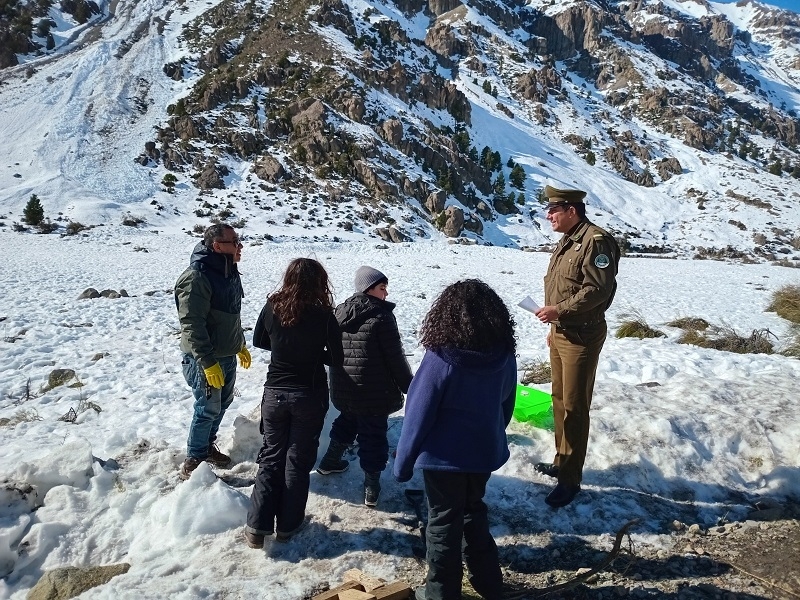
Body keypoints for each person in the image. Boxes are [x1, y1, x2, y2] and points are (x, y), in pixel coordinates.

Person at [394, 279, 517, 600]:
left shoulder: (440, 359)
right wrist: (491, 435)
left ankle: (440, 593)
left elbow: (418, 413)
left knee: (443, 522)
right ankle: (489, 584)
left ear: (445, 315)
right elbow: (506, 404)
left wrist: (403, 463)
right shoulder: (503, 355)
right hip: (482, 454)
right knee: (473, 511)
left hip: (442, 460)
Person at [244, 258, 343, 548]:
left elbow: (260, 340)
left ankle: (256, 527)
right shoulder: (325, 315)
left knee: (271, 457)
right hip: (308, 395)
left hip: (274, 392)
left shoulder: (273, 305)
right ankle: (288, 526)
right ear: (319, 282)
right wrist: (312, 355)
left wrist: (285, 349)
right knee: (297, 461)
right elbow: (337, 359)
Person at [534, 185, 620, 508]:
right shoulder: (567, 242)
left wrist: (561, 312)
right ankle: (561, 461)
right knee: (559, 399)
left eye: (554, 209)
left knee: (575, 405)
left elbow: (597, 290)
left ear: (572, 210)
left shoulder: (595, 242)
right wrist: (554, 323)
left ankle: (571, 480)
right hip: (561, 333)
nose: (549, 215)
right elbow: (560, 286)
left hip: (581, 336)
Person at [318, 265, 413, 507]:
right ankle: (372, 486)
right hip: (374, 391)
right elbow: (395, 357)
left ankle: (330, 462)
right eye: (382, 288)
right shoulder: (381, 317)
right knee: (373, 435)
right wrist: (410, 387)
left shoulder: (340, 311)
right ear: (368, 289)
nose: (386, 294)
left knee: (347, 420)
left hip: (344, 387)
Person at [175, 224, 250, 480]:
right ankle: (194, 458)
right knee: (207, 407)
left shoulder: (228, 272)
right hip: (204, 358)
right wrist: (207, 362)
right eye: (235, 242)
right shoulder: (197, 277)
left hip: (225, 355)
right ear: (217, 246)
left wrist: (238, 343)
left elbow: (231, 314)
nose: (240, 246)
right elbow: (192, 323)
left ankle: (206, 447)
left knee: (222, 403)